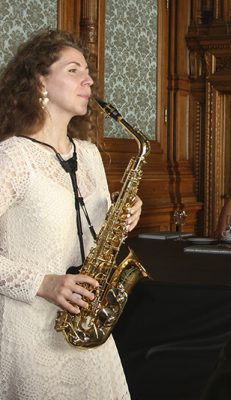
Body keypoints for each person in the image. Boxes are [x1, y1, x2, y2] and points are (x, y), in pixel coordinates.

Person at [0, 29, 142, 399]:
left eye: (88, 72)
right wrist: (43, 283)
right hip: (30, 332)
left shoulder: (90, 154)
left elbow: (95, 233)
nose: (89, 81)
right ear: (39, 82)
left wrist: (124, 213)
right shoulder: (12, 158)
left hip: (88, 329)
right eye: (74, 70)